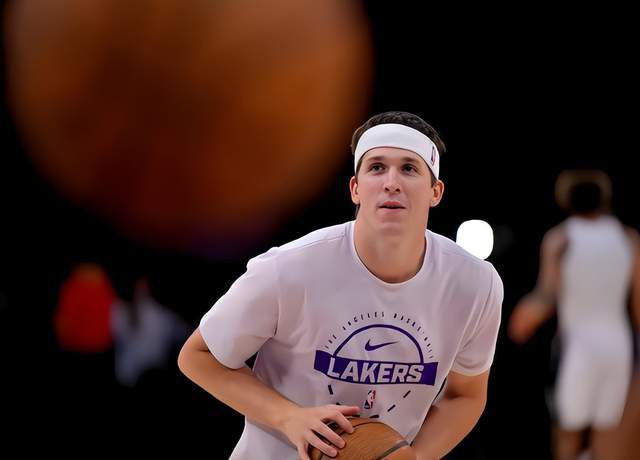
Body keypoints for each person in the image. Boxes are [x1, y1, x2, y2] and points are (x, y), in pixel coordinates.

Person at [178, 111, 504, 460]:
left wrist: (412, 458)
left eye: (409, 168)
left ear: (435, 192)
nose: (391, 182)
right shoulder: (289, 268)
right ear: (355, 189)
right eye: (377, 167)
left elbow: (465, 394)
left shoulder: (475, 284)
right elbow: (198, 356)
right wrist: (288, 417)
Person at [508, 170, 640, 460]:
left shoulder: (561, 238)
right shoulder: (627, 238)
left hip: (578, 346)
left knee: (568, 430)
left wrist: (524, 317)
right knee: (606, 431)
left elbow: (547, 294)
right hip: (617, 345)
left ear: (565, 198)